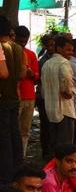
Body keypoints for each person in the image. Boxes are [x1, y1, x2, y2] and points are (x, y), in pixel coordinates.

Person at [0, 15, 25, 185]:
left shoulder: (2, 47)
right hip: (14, 96)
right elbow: (22, 73)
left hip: (3, 98)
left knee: (4, 139)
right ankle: (17, 170)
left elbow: (3, 73)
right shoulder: (17, 48)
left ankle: (6, 177)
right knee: (14, 136)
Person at [41, 36, 75, 158]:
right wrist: (69, 92)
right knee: (65, 146)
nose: (71, 53)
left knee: (54, 143)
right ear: (59, 49)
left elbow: (43, 89)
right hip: (64, 110)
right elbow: (67, 83)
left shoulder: (46, 64)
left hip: (50, 108)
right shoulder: (64, 63)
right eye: (68, 50)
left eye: (72, 50)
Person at [15, 26, 39, 158]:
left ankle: (21, 156)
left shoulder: (31, 54)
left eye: (25, 41)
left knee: (25, 130)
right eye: (20, 41)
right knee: (12, 129)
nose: (23, 44)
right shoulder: (10, 53)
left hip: (29, 95)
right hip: (15, 96)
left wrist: (31, 74)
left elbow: (36, 76)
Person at [37, 34, 55, 159]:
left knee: (51, 126)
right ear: (45, 46)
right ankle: (46, 152)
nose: (52, 48)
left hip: (51, 97)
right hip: (44, 97)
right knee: (46, 126)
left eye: (53, 45)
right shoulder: (43, 60)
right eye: (49, 45)